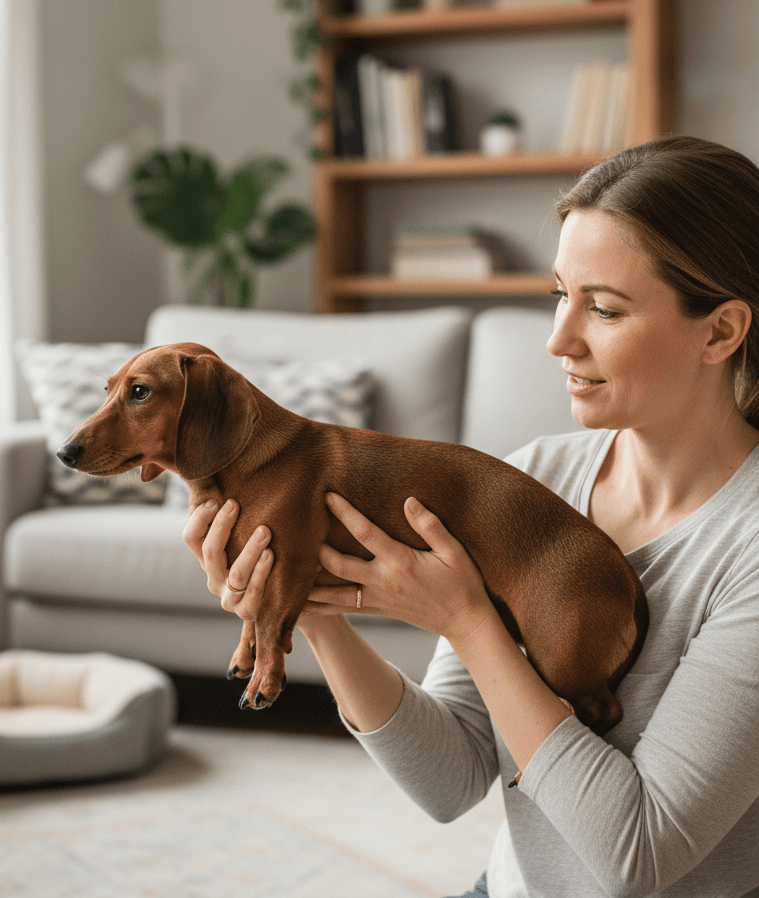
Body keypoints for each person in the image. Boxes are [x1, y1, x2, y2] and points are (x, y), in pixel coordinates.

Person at [182, 135, 759, 898]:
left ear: (720, 331)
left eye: (603, 309)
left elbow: (637, 855)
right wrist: (311, 611)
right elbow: (448, 779)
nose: (558, 340)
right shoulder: (536, 478)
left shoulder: (745, 546)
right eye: (560, 295)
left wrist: (468, 621)